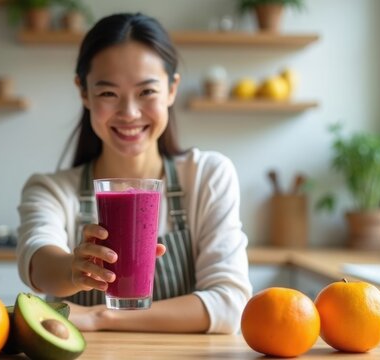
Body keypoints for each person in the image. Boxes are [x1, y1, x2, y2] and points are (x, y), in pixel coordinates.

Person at [16, 13, 251, 334]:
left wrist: (100, 316)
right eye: (108, 93)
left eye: (147, 92)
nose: (129, 113)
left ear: (172, 89)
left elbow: (229, 305)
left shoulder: (208, 175)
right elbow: (38, 265)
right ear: (84, 92)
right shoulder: (50, 190)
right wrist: (72, 269)